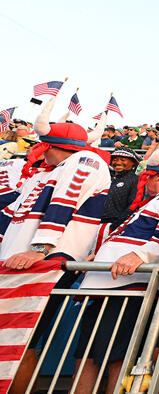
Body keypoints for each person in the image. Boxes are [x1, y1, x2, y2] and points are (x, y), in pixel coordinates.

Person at [1, 99, 110, 394]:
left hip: (45, 262)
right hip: (18, 263)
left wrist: (41, 249)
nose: (40, 149)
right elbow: (11, 214)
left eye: (43, 144)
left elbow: (65, 202)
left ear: (51, 143)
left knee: (23, 339)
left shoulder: (86, 161)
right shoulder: (45, 173)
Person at [72, 137, 159, 393]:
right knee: (86, 354)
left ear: (157, 176)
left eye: (149, 176)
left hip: (127, 287)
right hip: (108, 285)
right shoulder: (156, 200)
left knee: (116, 358)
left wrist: (140, 256)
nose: (145, 181)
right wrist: (98, 257)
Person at [101, 147, 141, 230]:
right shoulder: (106, 177)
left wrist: (115, 226)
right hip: (95, 223)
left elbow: (133, 206)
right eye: (115, 159)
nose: (118, 162)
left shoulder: (135, 180)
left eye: (123, 160)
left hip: (115, 227)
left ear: (133, 162)